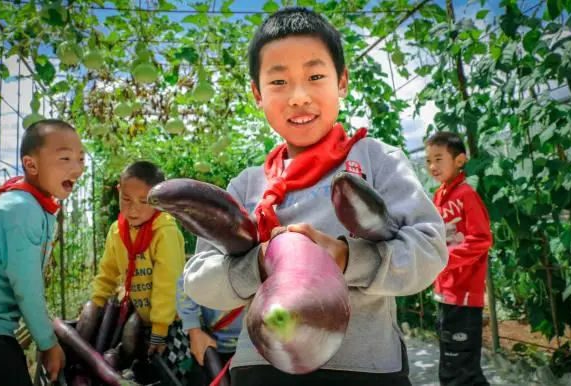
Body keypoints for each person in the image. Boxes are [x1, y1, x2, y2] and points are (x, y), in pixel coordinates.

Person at [182, 7, 448, 386]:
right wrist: (260, 263)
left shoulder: (376, 160)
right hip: (261, 366)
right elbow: (198, 279)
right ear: (257, 94)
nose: (299, 96)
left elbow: (429, 250)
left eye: (315, 76)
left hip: (364, 369)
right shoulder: (246, 186)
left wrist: (344, 259)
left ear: (342, 81)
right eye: (278, 83)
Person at [0, 119, 85, 385]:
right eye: (65, 158)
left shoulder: (25, 202)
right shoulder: (22, 209)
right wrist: (47, 343)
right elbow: (26, 285)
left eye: (81, 159)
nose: (77, 169)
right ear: (31, 165)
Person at [89, 160, 191, 382]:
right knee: (142, 369)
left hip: (173, 323)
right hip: (145, 320)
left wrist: (160, 329)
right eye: (126, 199)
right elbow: (107, 272)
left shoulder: (164, 232)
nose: (132, 208)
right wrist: (95, 303)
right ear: (119, 191)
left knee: (170, 373)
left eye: (143, 201)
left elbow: (167, 284)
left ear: (159, 201)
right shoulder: (118, 231)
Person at [425, 131, 493, 386]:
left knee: (459, 369)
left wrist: (445, 259)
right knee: (452, 363)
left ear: (460, 160)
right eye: (428, 161)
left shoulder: (466, 194)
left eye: (438, 159)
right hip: (445, 292)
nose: (432, 166)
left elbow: (481, 239)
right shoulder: (439, 196)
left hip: (464, 294)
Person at [177, 275, 243, 386]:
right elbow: (185, 284)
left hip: (253, 348)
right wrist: (194, 330)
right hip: (214, 347)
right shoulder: (209, 261)